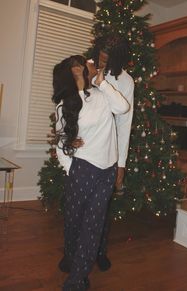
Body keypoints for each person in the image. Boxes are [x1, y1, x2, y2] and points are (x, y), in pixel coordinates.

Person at [53, 55, 130, 291]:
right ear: (68, 73)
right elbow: (60, 139)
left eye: (81, 64)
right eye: (74, 65)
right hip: (82, 168)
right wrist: (70, 168)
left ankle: (77, 279)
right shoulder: (65, 104)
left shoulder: (103, 95)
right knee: (74, 221)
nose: (79, 67)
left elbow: (124, 107)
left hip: (106, 170)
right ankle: (70, 257)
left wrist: (101, 82)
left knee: (93, 225)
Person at [91, 35, 134, 271]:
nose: (101, 62)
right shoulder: (86, 68)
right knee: (78, 206)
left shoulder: (126, 81)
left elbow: (124, 123)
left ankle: (100, 251)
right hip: (86, 149)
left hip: (108, 153)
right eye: (100, 56)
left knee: (103, 209)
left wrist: (121, 164)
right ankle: (72, 251)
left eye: (107, 60)